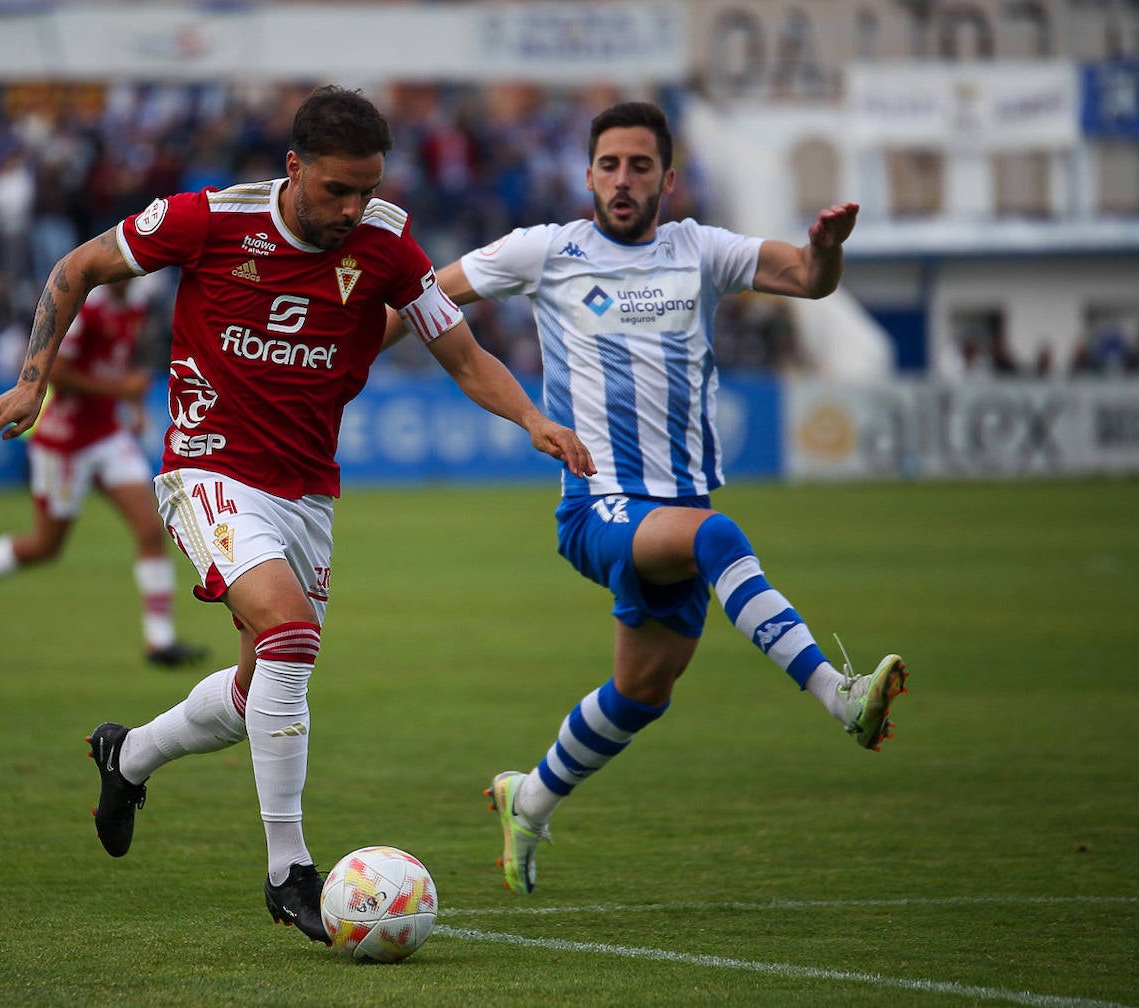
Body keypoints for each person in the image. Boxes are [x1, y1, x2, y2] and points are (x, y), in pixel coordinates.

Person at [0, 85, 594, 945]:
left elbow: (461, 350)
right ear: (293, 169)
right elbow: (74, 268)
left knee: (259, 688)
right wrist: (34, 377)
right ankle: (288, 872)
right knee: (291, 637)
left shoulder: (386, 242)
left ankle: (131, 754)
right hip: (207, 468)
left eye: (366, 188)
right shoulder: (207, 221)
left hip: (307, 492)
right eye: (337, 189)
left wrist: (532, 420)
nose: (352, 208)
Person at [384, 101, 907, 896]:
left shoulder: (700, 250)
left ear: (668, 176)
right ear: (586, 173)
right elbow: (426, 299)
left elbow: (805, 277)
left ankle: (528, 797)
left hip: (676, 504)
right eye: (608, 165)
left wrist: (825, 251)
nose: (622, 180)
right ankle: (842, 698)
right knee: (719, 538)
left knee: (641, 693)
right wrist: (335, 348)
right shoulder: (547, 250)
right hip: (599, 507)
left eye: (638, 166)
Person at [0, 277, 207, 667]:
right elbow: (57, 373)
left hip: (107, 435)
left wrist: (134, 406)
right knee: (46, 546)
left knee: (149, 528)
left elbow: (118, 365)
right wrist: (120, 392)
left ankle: (159, 642)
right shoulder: (88, 311)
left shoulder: (136, 306)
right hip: (65, 441)